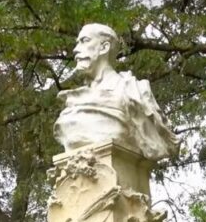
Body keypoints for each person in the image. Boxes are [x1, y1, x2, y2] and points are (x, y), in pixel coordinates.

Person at [55, 23, 178, 161]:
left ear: (104, 47)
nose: (76, 49)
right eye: (77, 43)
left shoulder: (132, 91)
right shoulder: (73, 102)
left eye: (84, 41)